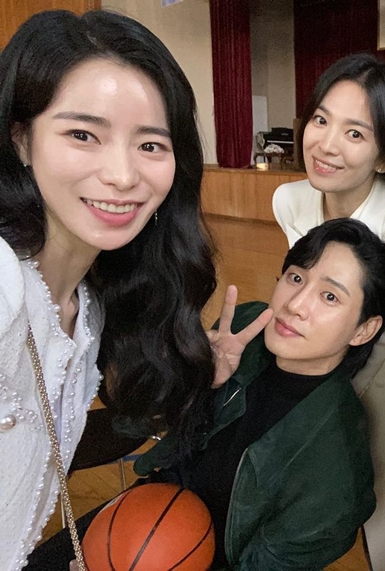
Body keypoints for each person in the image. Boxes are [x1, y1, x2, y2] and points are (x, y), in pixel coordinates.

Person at [0, 10, 216, 570]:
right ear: (21, 139)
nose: (123, 175)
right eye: (82, 135)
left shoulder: (89, 308)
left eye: (151, 145)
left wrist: (198, 374)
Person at [130, 218, 385, 570]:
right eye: (296, 278)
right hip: (144, 512)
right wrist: (190, 377)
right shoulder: (244, 330)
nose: (295, 305)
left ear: (364, 330)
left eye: (329, 296)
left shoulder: (335, 468)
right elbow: (134, 424)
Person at [272, 53, 385, 570]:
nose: (326, 144)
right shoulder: (289, 201)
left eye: (355, 133)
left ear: (384, 157)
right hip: (330, 353)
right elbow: (302, 285)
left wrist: (336, 390)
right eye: (320, 120)